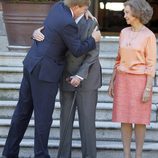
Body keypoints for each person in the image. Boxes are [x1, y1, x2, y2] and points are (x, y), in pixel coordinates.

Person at [2, 0, 101, 158]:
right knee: (44, 117)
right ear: (75, 7)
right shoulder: (68, 23)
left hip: (31, 64)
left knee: (22, 111)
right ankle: (41, 155)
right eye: (84, 8)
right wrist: (93, 39)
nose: (85, 12)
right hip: (45, 72)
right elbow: (76, 50)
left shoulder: (58, 7)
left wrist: (85, 10)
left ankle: (9, 151)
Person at [33, 13, 102, 158]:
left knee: (87, 123)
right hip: (65, 76)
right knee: (65, 122)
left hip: (87, 78)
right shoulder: (61, 19)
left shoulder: (91, 23)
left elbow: (93, 54)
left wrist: (80, 75)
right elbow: (46, 34)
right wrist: (35, 33)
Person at [108, 0, 157, 158]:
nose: (124, 15)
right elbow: (118, 59)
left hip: (140, 81)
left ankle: (138, 155)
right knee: (125, 118)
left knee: (140, 120)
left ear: (136, 14)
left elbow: (151, 64)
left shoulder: (148, 35)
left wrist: (148, 88)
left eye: (127, 12)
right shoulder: (123, 32)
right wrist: (112, 81)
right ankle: (126, 155)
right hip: (122, 81)